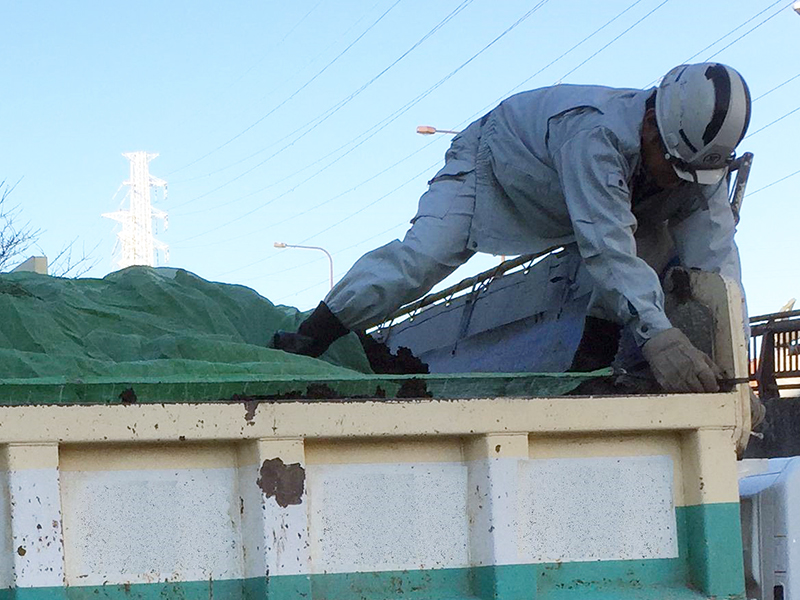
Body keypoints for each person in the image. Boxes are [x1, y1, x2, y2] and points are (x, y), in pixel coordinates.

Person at [274, 63, 751, 395]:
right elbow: (606, 248)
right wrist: (660, 337)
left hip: (580, 202)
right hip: (493, 165)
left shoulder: (694, 165)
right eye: (672, 167)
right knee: (423, 258)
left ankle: (590, 373)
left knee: (646, 243)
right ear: (650, 122)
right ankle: (310, 338)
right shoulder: (594, 135)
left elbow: (719, 266)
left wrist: (737, 376)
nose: (679, 183)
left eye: (692, 176)